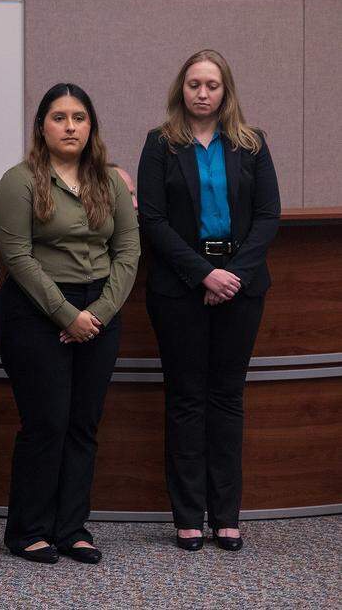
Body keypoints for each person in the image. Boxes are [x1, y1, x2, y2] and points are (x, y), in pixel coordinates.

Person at [0, 83, 139, 565]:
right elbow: (17, 256)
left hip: (99, 311)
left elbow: (128, 251)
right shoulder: (19, 181)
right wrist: (67, 315)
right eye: (59, 117)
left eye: (79, 117)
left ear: (91, 126)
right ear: (42, 127)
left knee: (83, 423)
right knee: (46, 422)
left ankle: (72, 528)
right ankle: (28, 530)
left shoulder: (109, 181)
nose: (70, 126)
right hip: (36, 311)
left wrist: (98, 313)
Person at [137, 49, 280, 552]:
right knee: (185, 398)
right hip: (180, 288)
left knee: (227, 398)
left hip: (241, 287)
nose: (202, 93)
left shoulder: (251, 143)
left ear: (225, 91)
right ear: (182, 89)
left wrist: (232, 276)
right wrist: (204, 274)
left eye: (212, 85)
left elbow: (268, 215)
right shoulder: (161, 144)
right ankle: (188, 517)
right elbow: (153, 220)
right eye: (194, 84)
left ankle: (225, 516)